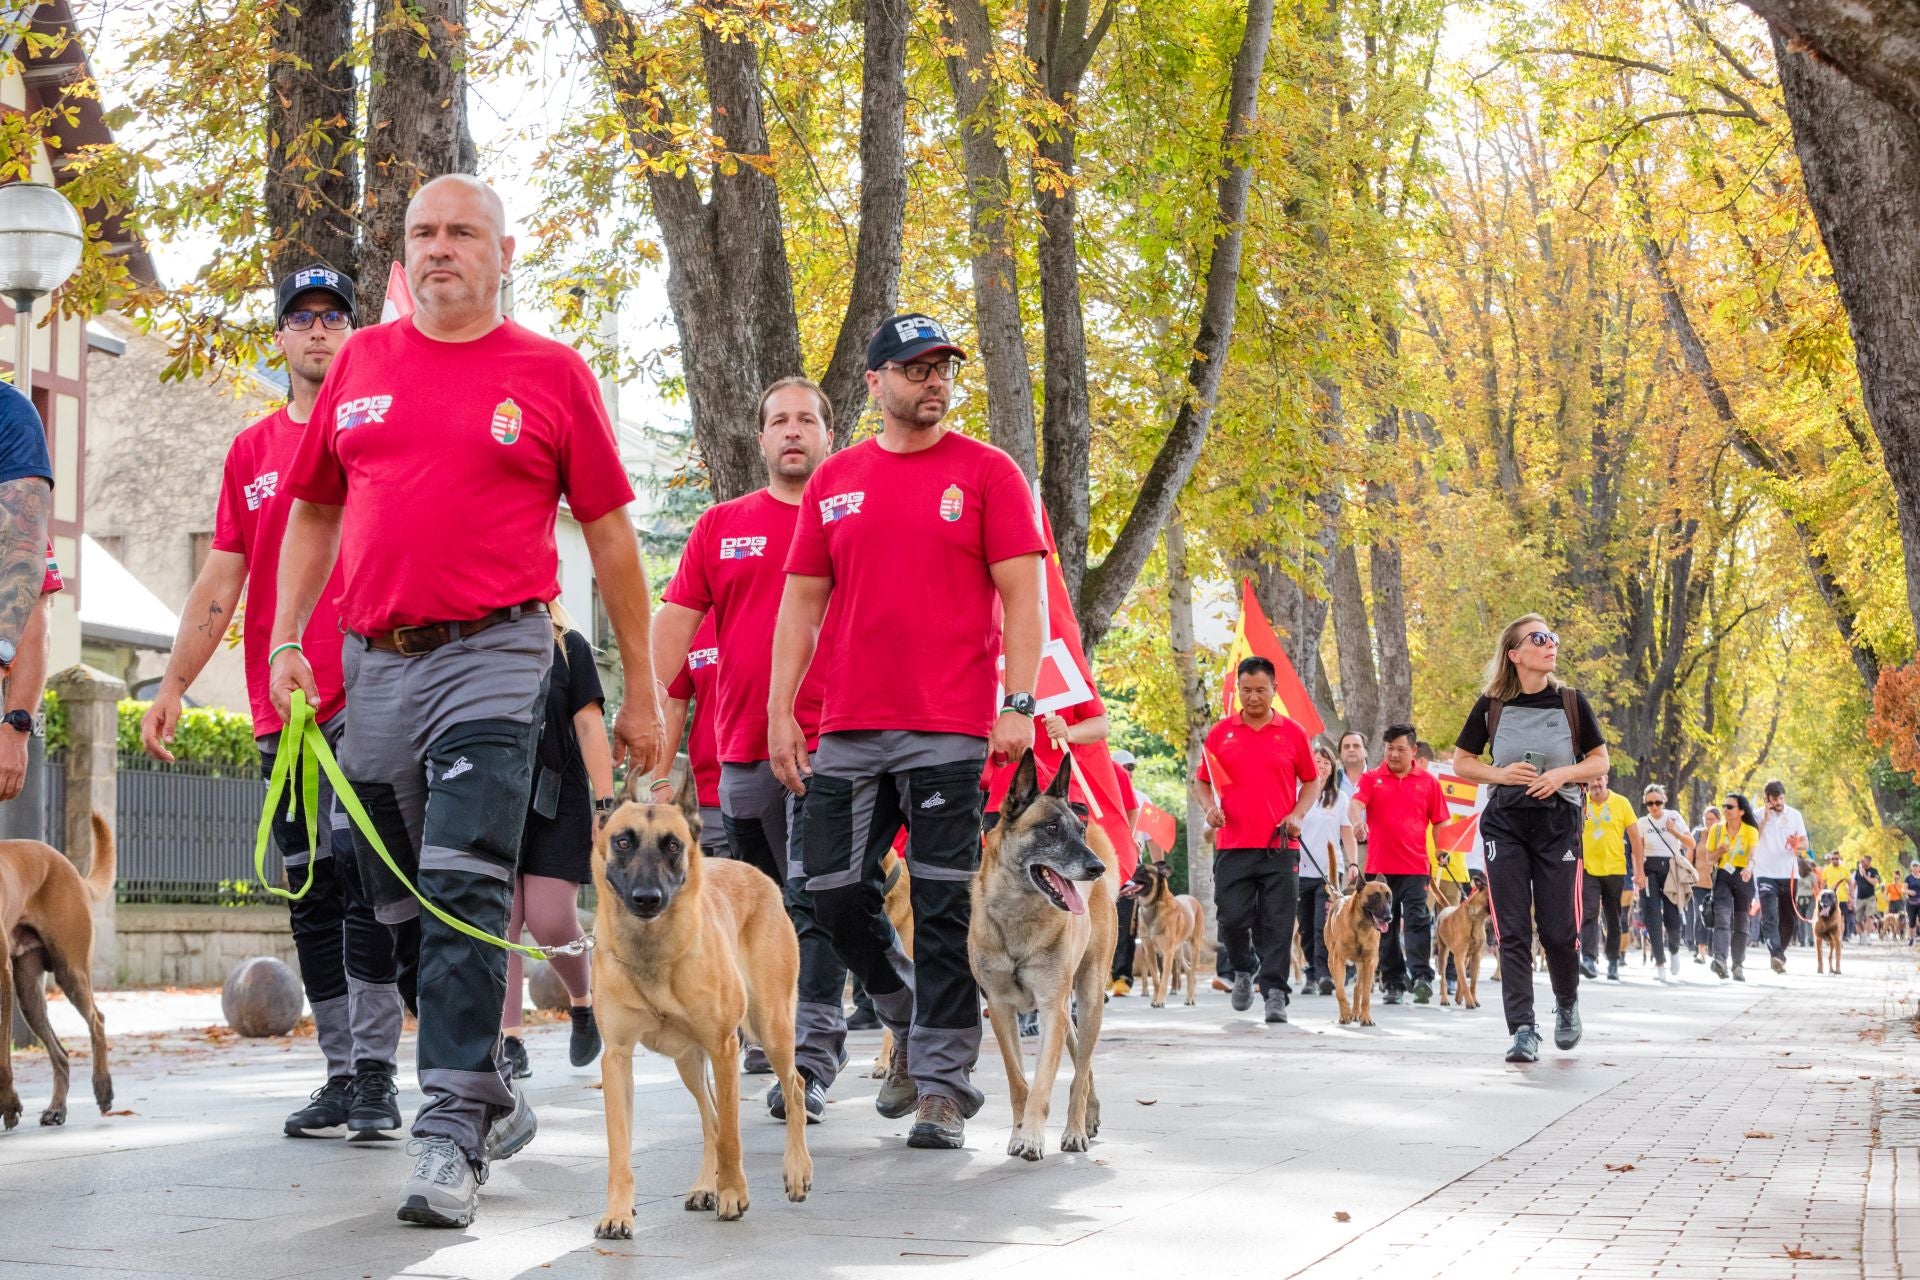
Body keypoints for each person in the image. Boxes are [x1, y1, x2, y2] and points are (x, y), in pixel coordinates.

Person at [270, 176, 664, 1227]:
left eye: (461, 232)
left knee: (463, 880)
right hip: (373, 664)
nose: (439, 248)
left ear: (503, 251)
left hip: (496, 653)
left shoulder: (550, 373)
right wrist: (285, 639)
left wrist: (641, 686)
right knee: (387, 891)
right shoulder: (361, 362)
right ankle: (485, 1082)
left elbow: (611, 537)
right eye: (423, 234)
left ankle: (448, 1129)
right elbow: (314, 511)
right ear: (405, 253)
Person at [139, 267, 403, 1142]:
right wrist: (174, 683)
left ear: (354, 333)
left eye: (334, 317)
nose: (318, 331)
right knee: (310, 891)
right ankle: (341, 1073)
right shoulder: (251, 452)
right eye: (302, 318)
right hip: (280, 711)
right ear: (281, 338)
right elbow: (222, 580)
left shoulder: (379, 428)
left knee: (366, 882)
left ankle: (378, 1074)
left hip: (369, 692)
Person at [769, 313, 1044, 1151]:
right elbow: (801, 603)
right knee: (828, 891)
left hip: (949, 727)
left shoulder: (988, 473)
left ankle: (943, 1088)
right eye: (917, 368)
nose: (935, 381)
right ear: (876, 381)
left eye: (943, 368)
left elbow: (1024, 596)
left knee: (940, 904)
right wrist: (781, 710)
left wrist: (1020, 703)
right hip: (848, 725)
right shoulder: (836, 479)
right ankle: (905, 1011)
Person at [650, 376, 849, 1123]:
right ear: (761, 438)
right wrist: (644, 712)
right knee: (760, 907)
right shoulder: (720, 526)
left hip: (834, 740)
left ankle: (811, 1060)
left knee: (815, 902)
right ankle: (776, 1030)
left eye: (806, 420)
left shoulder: (849, 515)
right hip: (739, 753)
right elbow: (675, 624)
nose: (793, 431)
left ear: (828, 435)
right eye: (779, 421)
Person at [1449, 615, 1609, 1064]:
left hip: (1559, 824)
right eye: (1539, 638)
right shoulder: (1492, 705)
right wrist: (1501, 775)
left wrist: (1563, 774)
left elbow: (1600, 761)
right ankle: (1522, 1029)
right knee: (1512, 929)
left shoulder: (1571, 702)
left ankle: (1567, 1002)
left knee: (1559, 930)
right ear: (1515, 653)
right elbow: (1462, 762)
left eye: (1552, 637)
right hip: (1506, 825)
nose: (1550, 643)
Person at [499, 616, 609, 1082]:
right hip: (495, 796)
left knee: (550, 921)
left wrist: (605, 804)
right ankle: (509, 1039)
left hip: (557, 798)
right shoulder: (480, 641)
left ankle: (584, 1002)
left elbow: (588, 726)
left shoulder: (569, 646)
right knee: (502, 923)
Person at [1196, 656, 1322, 1024]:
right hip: (1232, 844)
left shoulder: (1293, 733)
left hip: (1279, 845)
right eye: (1246, 690)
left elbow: (1311, 781)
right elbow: (1202, 781)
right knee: (1232, 917)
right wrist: (1209, 808)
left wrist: (1297, 815)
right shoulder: (1220, 733)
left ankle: (1275, 993)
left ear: (1274, 690)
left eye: (1260, 690)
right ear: (1238, 689)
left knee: (1278, 923)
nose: (1253, 697)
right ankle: (1242, 968)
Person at [1343, 723, 1448, 1004]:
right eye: (1390, 749)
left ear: (1413, 750)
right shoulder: (1372, 778)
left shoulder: (1428, 782)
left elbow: (1440, 821)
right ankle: (1393, 982)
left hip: (1415, 867)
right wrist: (1357, 822)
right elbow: (1355, 804)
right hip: (1380, 870)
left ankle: (1422, 977)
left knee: (1417, 920)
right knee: (1383, 924)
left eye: (1401, 749)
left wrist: (1441, 849)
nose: (1394, 754)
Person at [662, 618, 732, 859]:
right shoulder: (691, 620)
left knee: (779, 881)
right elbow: (674, 706)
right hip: (709, 796)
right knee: (708, 881)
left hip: (779, 787)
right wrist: (659, 779)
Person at [1579, 774, 1642, 982]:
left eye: (1599, 779)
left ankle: (1613, 960)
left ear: (1606, 779)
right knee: (1589, 912)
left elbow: (1635, 838)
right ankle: (1589, 959)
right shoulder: (1581, 802)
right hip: (1588, 868)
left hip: (1615, 869)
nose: (1595, 784)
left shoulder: (1621, 803)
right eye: (1591, 780)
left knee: (1613, 917)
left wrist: (1640, 871)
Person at [1297, 741, 1347, 997]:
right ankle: (1311, 972)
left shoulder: (1340, 799)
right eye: (1317, 761)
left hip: (1329, 873)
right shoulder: (1297, 794)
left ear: (1333, 768)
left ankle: (1324, 974)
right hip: (1299, 871)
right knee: (1305, 927)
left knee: (1322, 925)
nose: (1322, 766)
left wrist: (1353, 863)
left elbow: (1346, 833)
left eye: (1327, 762)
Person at [1634, 784, 1693, 982]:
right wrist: (1639, 873)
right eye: (1650, 803)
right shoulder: (1642, 822)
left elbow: (1691, 843)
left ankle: (1674, 950)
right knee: (1652, 917)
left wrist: (1674, 831)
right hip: (1650, 868)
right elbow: (1638, 850)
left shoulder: (1673, 816)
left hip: (1671, 868)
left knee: (1672, 915)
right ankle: (1659, 963)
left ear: (1664, 800)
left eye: (1658, 802)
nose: (1654, 807)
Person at [1751, 780, 1809, 973]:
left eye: (1781, 798)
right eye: (1774, 800)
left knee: (1788, 918)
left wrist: (1796, 844)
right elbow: (1753, 839)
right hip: (1765, 873)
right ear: (1766, 799)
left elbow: (1805, 844)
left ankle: (1779, 954)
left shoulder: (1794, 815)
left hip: (1789, 874)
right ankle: (1775, 953)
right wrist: (1765, 819)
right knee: (1769, 916)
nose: (1779, 803)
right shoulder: (1757, 815)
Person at [1108, 748, 1149, 997]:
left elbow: (1152, 836)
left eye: (1131, 767)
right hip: (1103, 865)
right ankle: (1102, 974)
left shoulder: (1143, 799)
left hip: (1129, 868)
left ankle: (1122, 976)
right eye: (1124, 767)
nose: (1128, 772)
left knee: (1126, 924)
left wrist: (1159, 865)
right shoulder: (1101, 788)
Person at [1706, 794, 1760, 980]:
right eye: (1724, 806)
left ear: (1741, 811)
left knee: (1742, 921)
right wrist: (1719, 851)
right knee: (1722, 918)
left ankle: (1737, 964)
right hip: (1723, 876)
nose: (1726, 810)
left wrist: (1748, 869)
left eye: (1730, 807)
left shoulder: (1750, 831)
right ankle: (1720, 960)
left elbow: (1752, 855)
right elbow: (1709, 859)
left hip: (1743, 876)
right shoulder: (1716, 830)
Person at [1689, 804, 1721, 963]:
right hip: (1699, 882)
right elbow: (1689, 857)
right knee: (1701, 915)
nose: (1708, 822)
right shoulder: (1697, 834)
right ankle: (1701, 951)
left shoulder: (1724, 834)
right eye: (1705, 819)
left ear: (1719, 820)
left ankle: (1717, 951)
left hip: (1719, 883)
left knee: (1719, 916)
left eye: (1711, 819)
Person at [1853, 855, 1883, 940]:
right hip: (1859, 898)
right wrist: (1850, 895)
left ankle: (1868, 936)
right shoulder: (1858, 871)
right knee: (1858, 919)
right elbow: (1854, 884)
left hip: (1870, 897)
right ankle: (1863, 933)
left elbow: (1874, 882)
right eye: (1861, 861)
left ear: (1868, 862)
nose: (1862, 862)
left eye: (1863, 861)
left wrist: (1865, 875)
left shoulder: (1874, 871)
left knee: (1869, 916)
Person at [1905, 861, 1920, 944]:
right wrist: (1909, 891)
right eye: (1913, 866)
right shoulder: (1908, 878)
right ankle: (1912, 939)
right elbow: (1903, 889)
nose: (1915, 867)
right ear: (1911, 867)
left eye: (1916, 866)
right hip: (1911, 903)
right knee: (1912, 921)